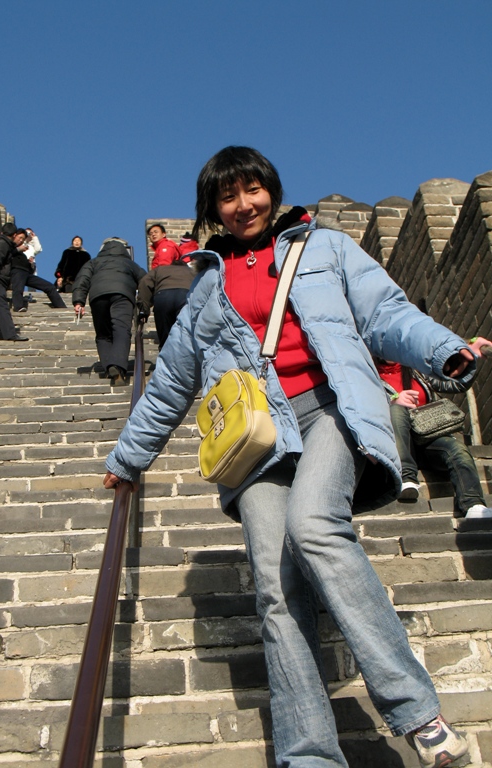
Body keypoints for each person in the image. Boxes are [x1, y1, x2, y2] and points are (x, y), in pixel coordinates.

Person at [103, 147, 473, 768]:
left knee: (315, 527)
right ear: (212, 210)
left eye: (253, 190)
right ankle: (309, 754)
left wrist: (444, 351)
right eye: (228, 197)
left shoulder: (323, 249)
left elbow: (383, 313)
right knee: (275, 589)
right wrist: (129, 458)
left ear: (271, 191)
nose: (244, 205)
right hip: (257, 441)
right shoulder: (207, 288)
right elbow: (170, 382)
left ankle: (418, 714)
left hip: (331, 410)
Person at [376, 352, 492, 517]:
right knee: (396, 410)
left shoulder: (417, 370)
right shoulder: (370, 378)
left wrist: (468, 361)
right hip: (395, 444)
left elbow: (454, 385)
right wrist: (392, 400)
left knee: (457, 449)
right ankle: (406, 477)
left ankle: (473, 504)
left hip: (427, 438)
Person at [72, 237, 146, 385]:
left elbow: (82, 280)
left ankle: (108, 367)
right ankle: (117, 366)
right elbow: (145, 282)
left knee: (103, 335)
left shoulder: (93, 262)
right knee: (121, 330)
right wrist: (144, 304)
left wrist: (79, 301)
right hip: (123, 296)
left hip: (98, 297)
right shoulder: (130, 264)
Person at [136, 255, 195, 348]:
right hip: (185, 297)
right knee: (186, 334)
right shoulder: (192, 272)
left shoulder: (160, 270)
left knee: (165, 338)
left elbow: (144, 283)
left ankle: (165, 356)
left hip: (163, 298)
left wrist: (144, 308)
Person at [10, 229, 67, 312]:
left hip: (27, 273)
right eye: (20, 237)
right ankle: (18, 307)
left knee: (49, 286)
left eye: (23, 239)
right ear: (14, 235)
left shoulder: (22, 252)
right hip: (17, 271)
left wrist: (31, 264)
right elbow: (6, 253)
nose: (21, 240)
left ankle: (61, 307)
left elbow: (38, 250)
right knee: (18, 289)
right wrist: (19, 249)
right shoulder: (9, 245)